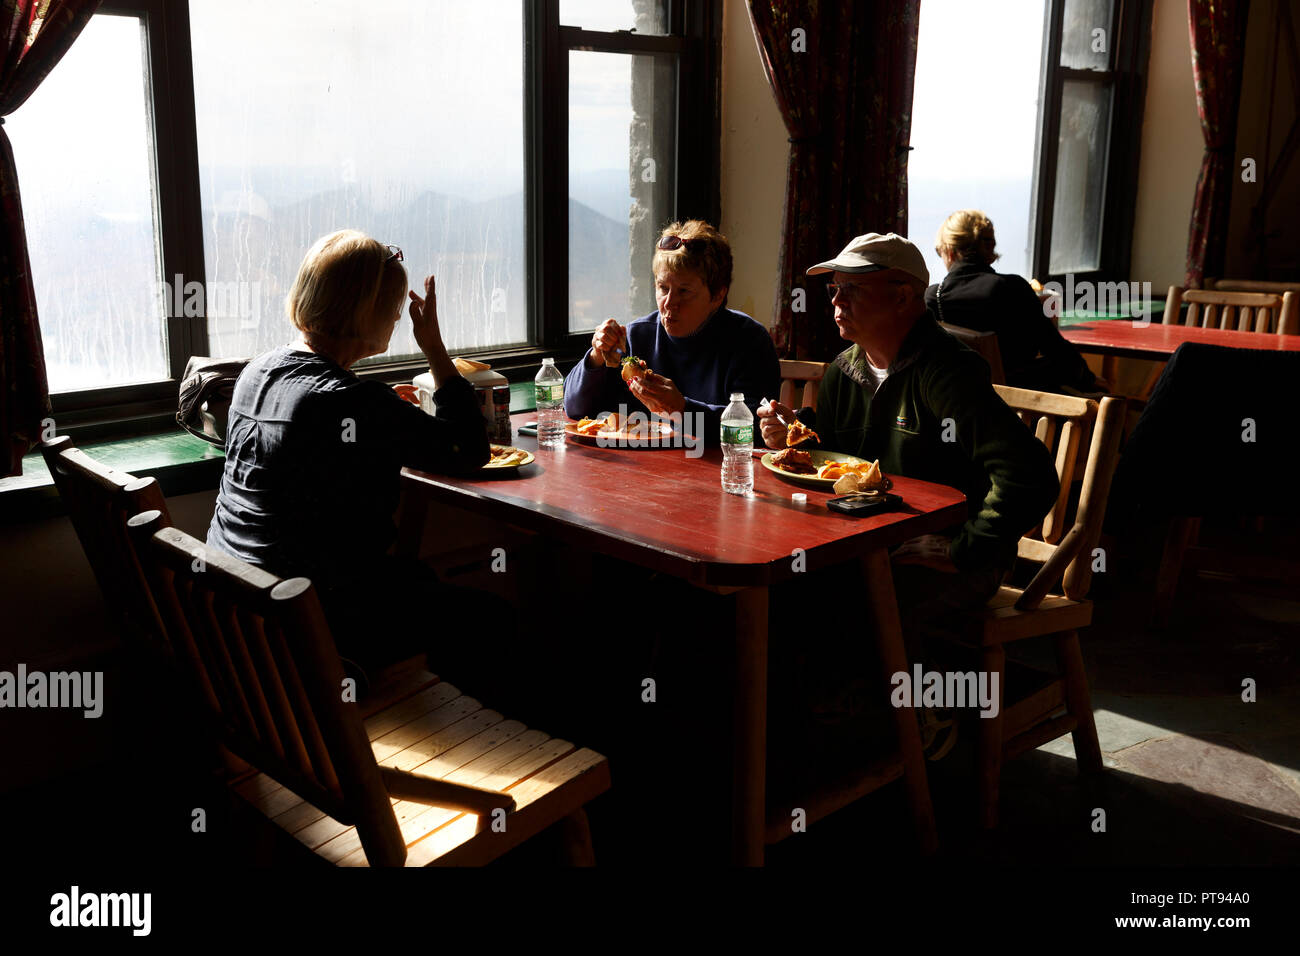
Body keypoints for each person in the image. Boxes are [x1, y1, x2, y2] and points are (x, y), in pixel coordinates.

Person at [758, 232, 1060, 759]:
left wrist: (966, 547)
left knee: (862, 602)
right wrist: (796, 439)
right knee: (784, 595)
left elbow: (1030, 475)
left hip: (956, 554)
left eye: (851, 289)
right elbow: (837, 460)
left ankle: (920, 724)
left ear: (903, 297)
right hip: (871, 545)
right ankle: (828, 735)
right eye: (833, 289)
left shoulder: (947, 371)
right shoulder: (845, 370)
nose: (835, 301)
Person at [206, 229, 495, 695]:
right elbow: (467, 450)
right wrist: (435, 350)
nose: (400, 317)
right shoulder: (354, 402)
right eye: (395, 307)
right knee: (491, 621)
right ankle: (489, 750)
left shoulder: (258, 370)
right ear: (368, 313)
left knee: (417, 586)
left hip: (240, 612)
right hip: (314, 628)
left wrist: (387, 418)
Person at [563, 219, 780, 442]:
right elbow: (574, 409)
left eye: (684, 291)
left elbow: (753, 431)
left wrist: (682, 410)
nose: (669, 303)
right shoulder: (637, 338)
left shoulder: (749, 342)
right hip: (639, 470)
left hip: (717, 473)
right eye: (663, 288)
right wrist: (596, 358)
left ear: (717, 296)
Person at [926, 209, 1104, 395]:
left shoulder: (932, 297)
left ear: (949, 252)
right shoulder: (1012, 287)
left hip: (956, 402)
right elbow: (1054, 347)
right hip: (1019, 407)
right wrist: (1090, 380)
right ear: (988, 249)